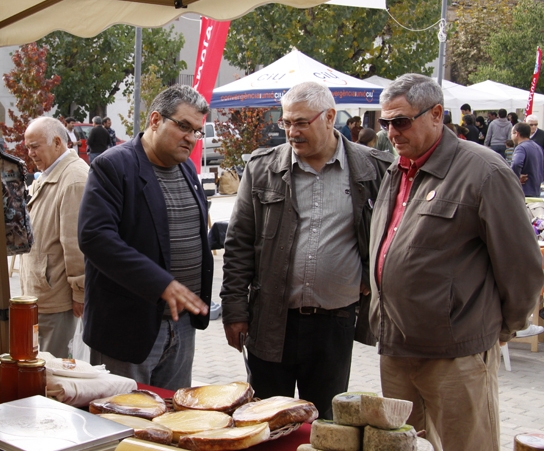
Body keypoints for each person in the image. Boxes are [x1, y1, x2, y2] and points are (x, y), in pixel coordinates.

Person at [370, 74, 543, 451]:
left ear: (436, 114)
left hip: (457, 354)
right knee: (404, 448)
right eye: (384, 123)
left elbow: (523, 268)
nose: (391, 132)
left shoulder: (485, 171)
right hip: (396, 349)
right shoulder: (395, 170)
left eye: (400, 121)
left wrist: (499, 331)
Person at [221, 81, 394, 419]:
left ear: (330, 117)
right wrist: (234, 309)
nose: (291, 132)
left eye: (301, 122)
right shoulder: (262, 168)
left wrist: (368, 271)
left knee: (326, 426)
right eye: (286, 122)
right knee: (266, 421)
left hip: (335, 322)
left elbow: (391, 233)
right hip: (271, 319)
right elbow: (238, 242)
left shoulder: (374, 168)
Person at [78, 85, 212, 391]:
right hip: (129, 329)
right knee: (124, 423)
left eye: (197, 131)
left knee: (174, 422)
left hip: (182, 325)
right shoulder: (113, 166)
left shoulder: (188, 169)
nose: (191, 138)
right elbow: (95, 237)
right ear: (155, 120)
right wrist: (161, 283)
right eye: (183, 126)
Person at [20, 117, 89, 358]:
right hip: (42, 293)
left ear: (58, 143)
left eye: (35, 146)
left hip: (57, 298)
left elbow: (76, 245)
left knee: (54, 373)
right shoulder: (52, 173)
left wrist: (80, 293)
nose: (30, 153)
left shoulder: (74, 179)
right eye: (28, 147)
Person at [511, 122, 544, 197]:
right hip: (536, 190)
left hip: (523, 191)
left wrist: (515, 178)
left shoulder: (521, 147)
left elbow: (516, 163)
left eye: (512, 134)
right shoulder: (538, 147)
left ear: (517, 133)